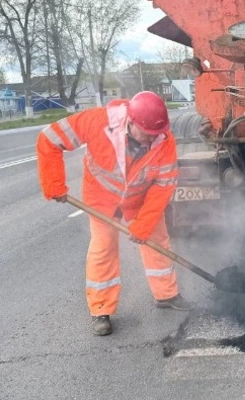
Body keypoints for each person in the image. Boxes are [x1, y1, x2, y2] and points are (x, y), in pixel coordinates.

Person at [36, 91, 186, 336]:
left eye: (156, 134)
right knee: (103, 247)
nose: (151, 139)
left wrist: (144, 224)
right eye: (146, 134)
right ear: (130, 122)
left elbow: (163, 185)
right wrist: (53, 183)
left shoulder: (164, 139)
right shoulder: (96, 122)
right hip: (102, 196)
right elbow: (49, 139)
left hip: (140, 197)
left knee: (157, 239)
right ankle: (101, 310)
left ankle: (166, 295)